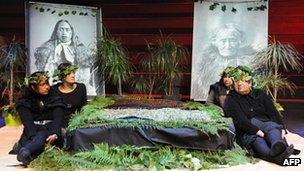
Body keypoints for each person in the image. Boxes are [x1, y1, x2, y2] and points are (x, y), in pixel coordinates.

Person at [223, 66, 298, 165]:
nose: (239, 83)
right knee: (256, 140)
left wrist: (282, 129)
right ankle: (277, 158)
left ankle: (277, 144)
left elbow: (273, 113)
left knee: (272, 128)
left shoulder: (260, 94)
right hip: (247, 130)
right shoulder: (231, 99)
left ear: (250, 83)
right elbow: (240, 121)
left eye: (243, 80)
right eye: (236, 81)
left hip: (266, 125)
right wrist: (261, 133)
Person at [191, 23, 256, 100]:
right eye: (223, 41)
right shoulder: (204, 64)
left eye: (232, 40)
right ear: (215, 42)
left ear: (240, 41)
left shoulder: (252, 62)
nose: (228, 46)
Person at [14, 71, 65, 165]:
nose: (47, 87)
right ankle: (27, 153)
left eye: (47, 83)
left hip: (50, 129)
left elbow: (58, 118)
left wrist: (55, 133)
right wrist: (34, 138)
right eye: (42, 85)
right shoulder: (24, 101)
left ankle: (25, 152)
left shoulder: (55, 97)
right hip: (32, 129)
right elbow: (28, 123)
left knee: (41, 136)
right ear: (33, 87)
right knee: (35, 139)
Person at [34, 19, 96, 95]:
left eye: (67, 30)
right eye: (61, 29)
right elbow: (43, 71)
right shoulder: (46, 48)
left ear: (72, 32)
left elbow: (85, 71)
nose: (64, 33)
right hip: (54, 87)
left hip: (76, 85)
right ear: (56, 32)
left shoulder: (80, 49)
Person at [52, 62, 87, 128]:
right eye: (69, 73)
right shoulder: (54, 89)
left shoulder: (81, 87)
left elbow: (84, 108)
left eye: (73, 72)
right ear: (62, 76)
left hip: (77, 124)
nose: (73, 75)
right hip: (59, 125)